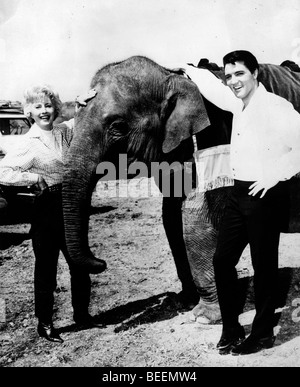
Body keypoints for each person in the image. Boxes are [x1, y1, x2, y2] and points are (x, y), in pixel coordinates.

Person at [178, 50, 300, 355]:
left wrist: (275, 175)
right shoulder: (238, 104)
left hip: (265, 196)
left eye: (240, 74)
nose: (233, 81)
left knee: (263, 267)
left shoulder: (276, 106)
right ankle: (231, 328)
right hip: (238, 193)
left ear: (255, 73)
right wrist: (186, 68)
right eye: (229, 75)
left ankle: (262, 334)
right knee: (222, 261)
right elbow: (214, 88)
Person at [0, 85, 105, 343]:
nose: (44, 111)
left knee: (78, 262)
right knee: (46, 268)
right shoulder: (26, 143)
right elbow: (3, 172)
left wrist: (80, 101)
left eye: (48, 105)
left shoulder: (64, 130)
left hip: (71, 204)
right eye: (38, 107)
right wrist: (32, 177)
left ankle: (82, 315)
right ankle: (45, 323)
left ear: (54, 108)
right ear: (29, 112)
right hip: (46, 209)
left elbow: (79, 120)